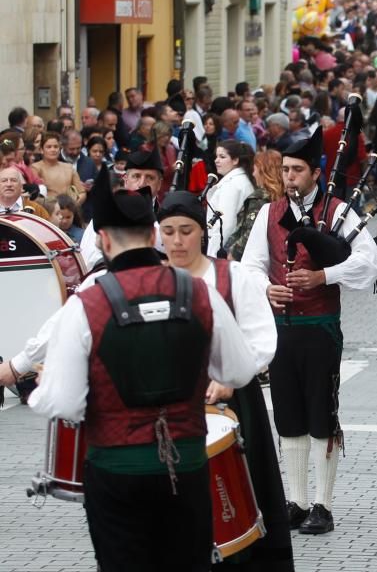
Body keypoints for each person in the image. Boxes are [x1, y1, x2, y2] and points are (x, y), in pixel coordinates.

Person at [27, 167, 258, 572]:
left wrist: (43, 384)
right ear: (154, 236)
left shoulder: (86, 305)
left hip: (116, 473)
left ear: (102, 239)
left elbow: (60, 403)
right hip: (186, 465)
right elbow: (238, 372)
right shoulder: (199, 292)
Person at [241, 126, 377, 535]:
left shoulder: (338, 211)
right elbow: (249, 265)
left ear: (316, 174)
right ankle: (297, 500)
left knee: (321, 414)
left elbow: (370, 262)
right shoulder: (269, 213)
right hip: (281, 329)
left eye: (298, 170)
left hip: (320, 327)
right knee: (288, 415)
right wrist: (266, 287)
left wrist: (323, 275)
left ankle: (323, 503)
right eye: (285, 170)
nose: (289, 178)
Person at [157, 191, 294, 570]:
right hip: (170, 408)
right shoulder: (151, 280)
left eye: (186, 230)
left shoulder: (231, 277)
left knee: (238, 500)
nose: (177, 240)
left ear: (201, 232)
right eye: (168, 231)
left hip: (232, 405)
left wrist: (233, 375)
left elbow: (262, 337)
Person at [79, 147, 165, 271]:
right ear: (125, 179)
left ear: (159, 184)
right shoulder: (107, 213)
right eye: (136, 176)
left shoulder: (166, 216)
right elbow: (90, 260)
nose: (141, 184)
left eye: (150, 178)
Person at [206, 140, 256, 258]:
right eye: (216, 156)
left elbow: (225, 224)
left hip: (226, 250)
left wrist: (213, 254)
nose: (216, 160)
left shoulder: (233, 185)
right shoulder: (239, 181)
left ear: (235, 160)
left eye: (222, 157)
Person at [31, 131, 86, 206]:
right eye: (49, 147)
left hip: (69, 209)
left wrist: (73, 207)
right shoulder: (35, 168)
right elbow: (35, 195)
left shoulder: (69, 167)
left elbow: (82, 192)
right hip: (47, 209)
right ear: (41, 150)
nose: (53, 150)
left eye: (56, 147)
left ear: (60, 149)